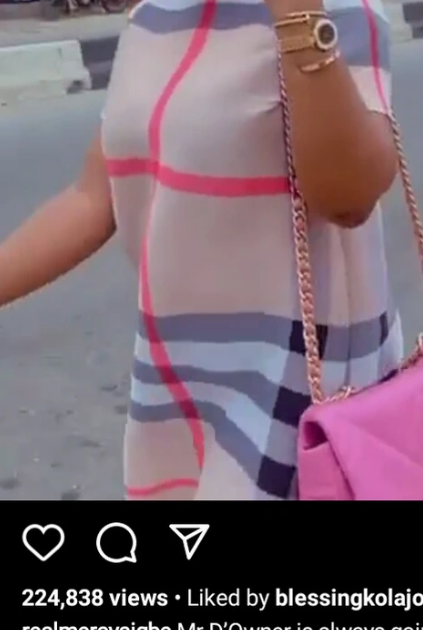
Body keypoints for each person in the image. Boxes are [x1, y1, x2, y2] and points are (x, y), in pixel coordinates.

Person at [0, 0, 401, 500]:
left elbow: (348, 198)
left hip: (302, 392)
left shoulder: (339, 12)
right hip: (180, 388)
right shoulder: (154, 15)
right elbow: (93, 195)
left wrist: (298, 18)